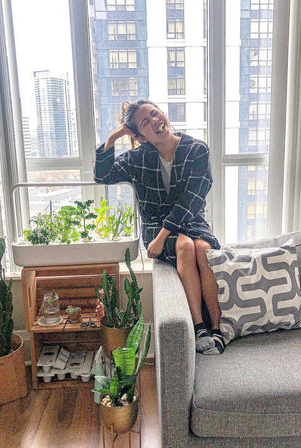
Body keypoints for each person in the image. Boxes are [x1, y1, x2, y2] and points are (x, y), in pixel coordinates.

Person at [94, 99, 225, 354]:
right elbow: (103, 175)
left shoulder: (197, 150)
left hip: (191, 221)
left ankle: (218, 327)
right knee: (186, 246)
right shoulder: (138, 158)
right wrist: (116, 135)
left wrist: (165, 236)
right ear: (140, 136)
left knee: (203, 249)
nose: (154, 120)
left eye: (155, 114)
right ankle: (200, 327)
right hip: (156, 227)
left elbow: (193, 198)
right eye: (145, 122)